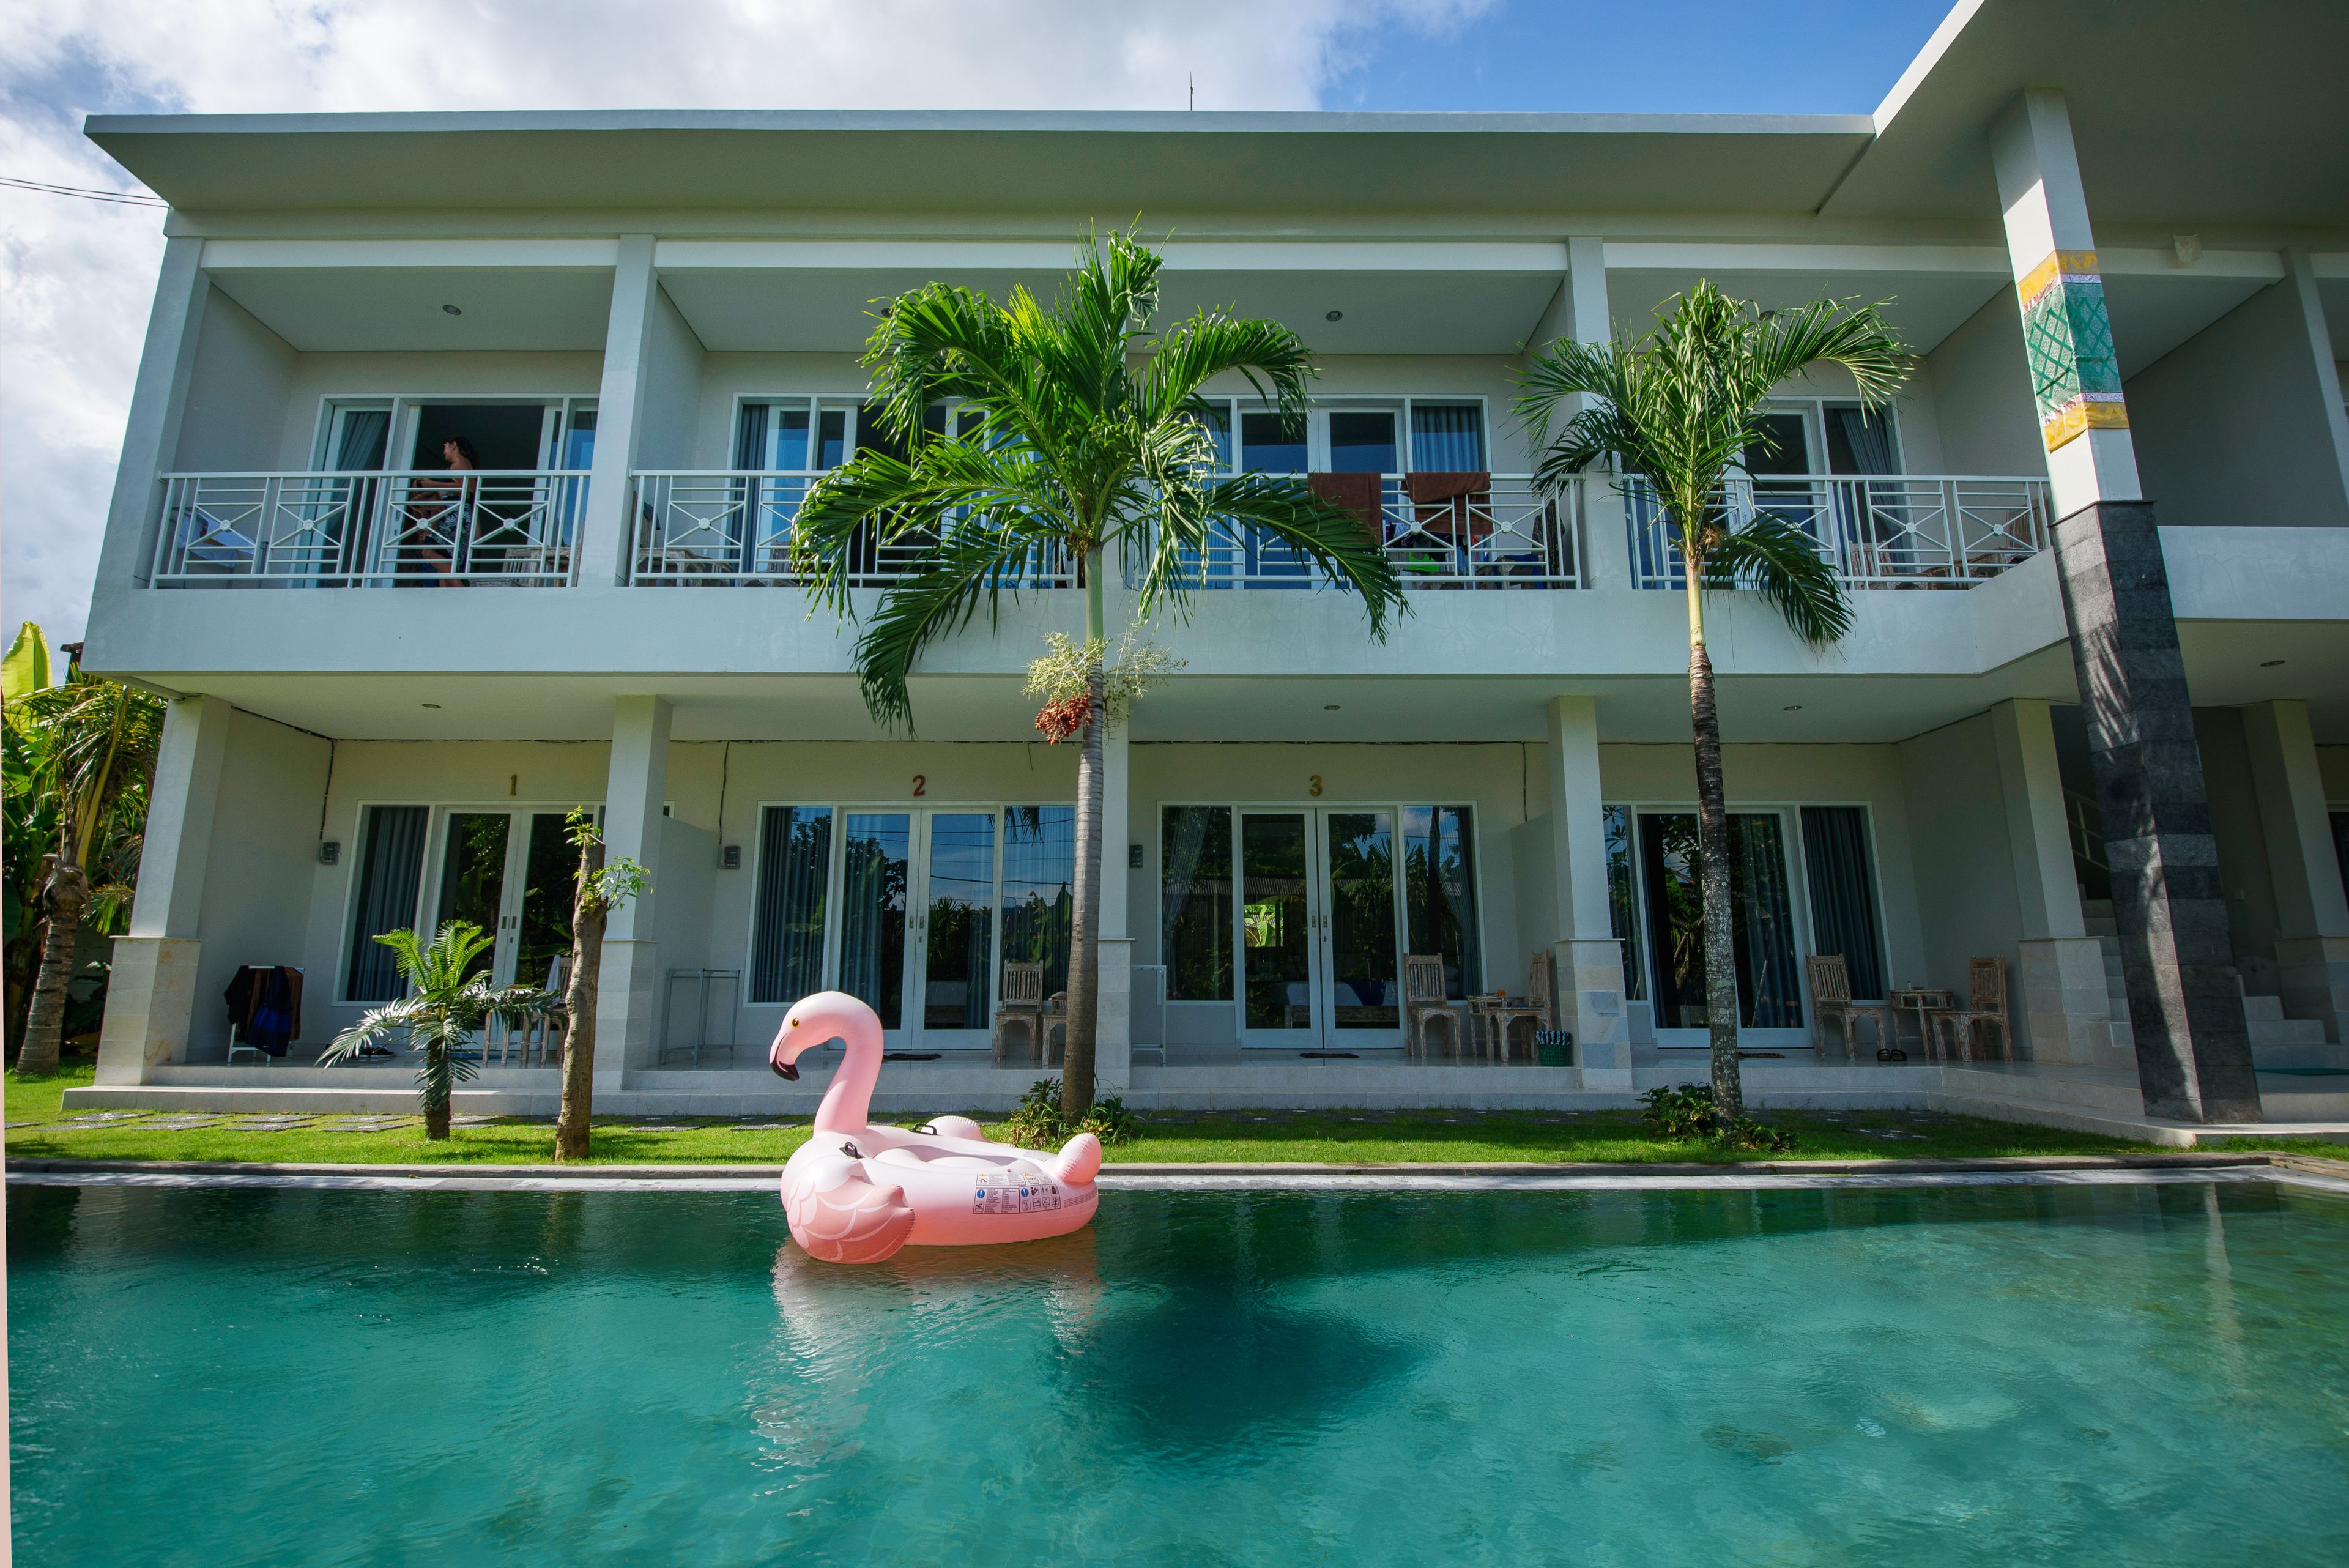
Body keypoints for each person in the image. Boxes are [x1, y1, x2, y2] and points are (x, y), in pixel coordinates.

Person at [395, 436, 478, 584]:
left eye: (445, 447)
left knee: (429, 552)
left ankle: (460, 591)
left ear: (454, 446)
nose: (444, 452)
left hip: (453, 514)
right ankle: (447, 595)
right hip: (457, 513)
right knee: (444, 558)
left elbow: (467, 488)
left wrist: (433, 484)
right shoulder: (464, 464)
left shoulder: (458, 463)